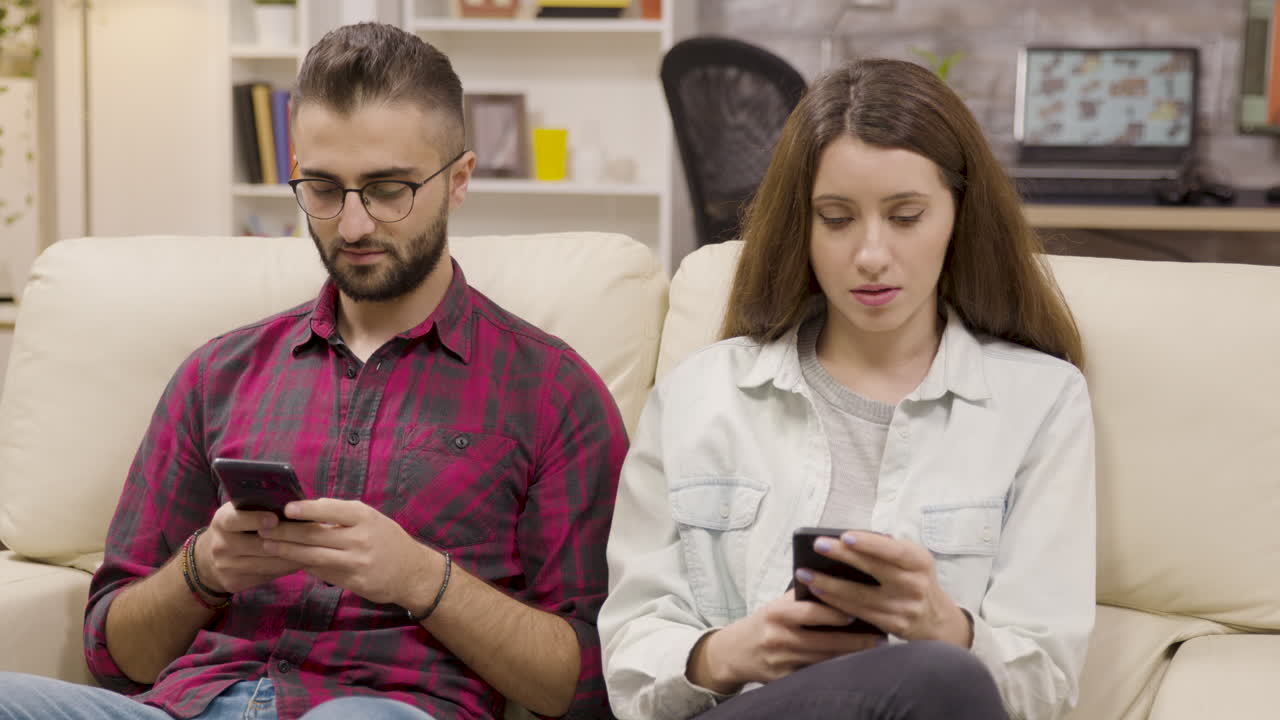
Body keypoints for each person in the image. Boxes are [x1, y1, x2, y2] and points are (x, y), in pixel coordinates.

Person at [0, 22, 626, 720]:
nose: (352, 226)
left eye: (388, 189)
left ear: (458, 180)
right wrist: (203, 570)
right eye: (324, 188)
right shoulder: (217, 374)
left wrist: (421, 578)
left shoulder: (551, 392)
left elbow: (588, 685)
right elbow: (114, 655)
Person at [599, 58, 1096, 720]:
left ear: (959, 214)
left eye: (906, 216)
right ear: (801, 227)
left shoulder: (1040, 402)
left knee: (941, 676)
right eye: (836, 219)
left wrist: (944, 626)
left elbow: (1047, 684)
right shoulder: (702, 394)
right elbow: (629, 661)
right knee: (937, 679)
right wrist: (735, 652)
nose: (871, 255)